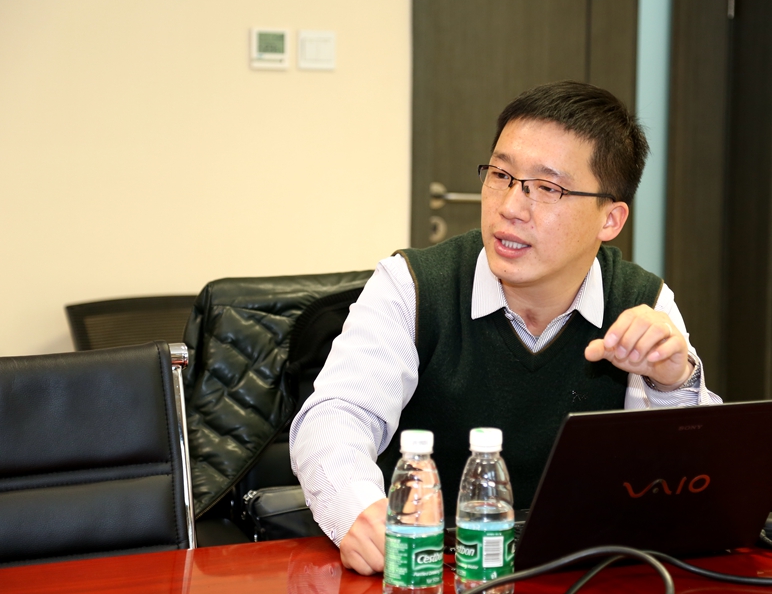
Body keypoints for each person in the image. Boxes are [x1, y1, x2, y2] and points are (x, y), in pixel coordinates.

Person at [289, 81, 722, 575]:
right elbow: (336, 415)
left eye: (548, 188)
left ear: (610, 219)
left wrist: (673, 383)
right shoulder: (412, 287)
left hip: (582, 573)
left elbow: (689, 488)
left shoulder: (642, 303)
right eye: (501, 175)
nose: (511, 206)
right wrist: (358, 510)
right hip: (432, 571)